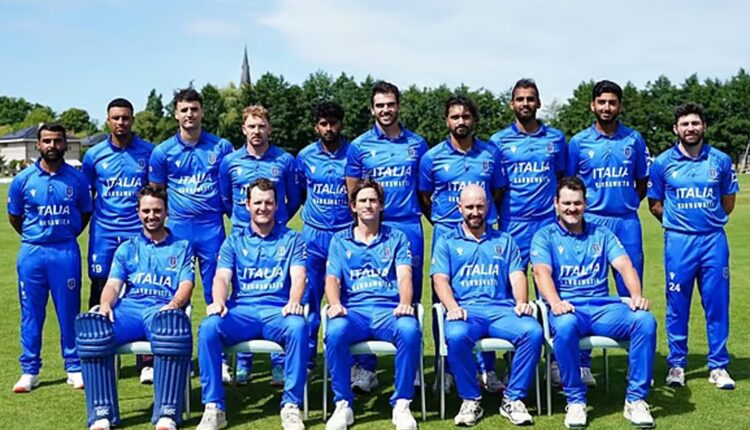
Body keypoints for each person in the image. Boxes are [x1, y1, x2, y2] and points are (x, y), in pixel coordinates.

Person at [531, 176, 656, 429]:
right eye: (566, 203)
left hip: (603, 309)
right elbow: (541, 272)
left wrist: (636, 295)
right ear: (556, 203)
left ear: (585, 204)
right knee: (564, 326)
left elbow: (625, 265)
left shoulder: (602, 233)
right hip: (568, 308)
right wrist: (555, 302)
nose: (572, 208)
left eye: (577, 203)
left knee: (645, 321)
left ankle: (636, 399)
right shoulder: (544, 236)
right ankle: (575, 400)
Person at [75, 185, 194, 430]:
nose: (152, 216)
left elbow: (186, 285)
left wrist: (173, 305)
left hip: (161, 309)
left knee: (170, 327)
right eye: (146, 211)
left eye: (157, 210)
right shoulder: (126, 248)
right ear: (138, 212)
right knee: (94, 330)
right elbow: (113, 284)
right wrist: (105, 304)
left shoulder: (181, 246)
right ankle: (102, 413)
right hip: (130, 309)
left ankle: (168, 412)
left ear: (166, 211)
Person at [197, 178, 308, 430]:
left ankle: (291, 405)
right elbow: (221, 277)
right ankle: (214, 407)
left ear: (277, 205)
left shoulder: (293, 239)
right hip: (242, 311)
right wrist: (218, 301)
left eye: (268, 203)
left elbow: (299, 276)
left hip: (278, 311)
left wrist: (294, 301)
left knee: (298, 327)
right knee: (209, 327)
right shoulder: (233, 241)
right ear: (247, 205)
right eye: (257, 202)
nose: (263, 208)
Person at [564, 80, 650, 386]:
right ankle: (583, 364)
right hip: (592, 222)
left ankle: (634, 364)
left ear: (620, 106)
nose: (607, 107)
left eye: (612, 102)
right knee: (588, 289)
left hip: (626, 221)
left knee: (631, 292)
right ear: (592, 105)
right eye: (601, 102)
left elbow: (641, 182)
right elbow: (571, 185)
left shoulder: (634, 139)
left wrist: (624, 203)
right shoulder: (578, 142)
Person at [419, 94, 507, 393]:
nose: (461, 122)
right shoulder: (432, 157)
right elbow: (424, 197)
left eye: (466, 116)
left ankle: (487, 369)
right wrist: (444, 221)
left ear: (474, 120)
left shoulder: (491, 154)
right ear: (447, 121)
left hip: (483, 232)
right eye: (455, 117)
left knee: (488, 295)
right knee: (442, 301)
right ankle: (446, 368)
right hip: (446, 233)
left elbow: (497, 192)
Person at [432, 185, 540, 426]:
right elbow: (440, 279)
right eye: (469, 207)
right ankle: (471, 399)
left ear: (488, 206)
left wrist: (521, 302)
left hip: (501, 310)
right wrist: (452, 307)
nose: (475, 212)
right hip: (466, 311)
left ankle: (513, 398)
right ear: (459, 208)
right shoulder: (447, 241)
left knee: (532, 331)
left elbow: (517, 276)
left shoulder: (504, 240)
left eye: (480, 206)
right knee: (456, 336)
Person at [648, 103, 738, 389]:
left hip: (713, 241)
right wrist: (679, 223)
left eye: (695, 123)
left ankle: (718, 366)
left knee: (716, 304)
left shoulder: (720, 160)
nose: (690, 128)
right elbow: (655, 204)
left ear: (704, 127)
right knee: (677, 304)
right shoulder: (663, 163)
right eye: (685, 124)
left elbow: (728, 201)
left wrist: (707, 222)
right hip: (679, 242)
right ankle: (676, 364)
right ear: (676, 129)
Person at [345, 80, 428, 392]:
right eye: (379, 105)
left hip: (407, 226)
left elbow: (424, 190)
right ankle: (365, 369)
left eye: (390, 104)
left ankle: (412, 364)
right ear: (372, 109)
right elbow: (353, 192)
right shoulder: (359, 146)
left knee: (410, 295)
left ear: (398, 106)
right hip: (371, 225)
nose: (385, 110)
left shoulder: (417, 144)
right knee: (366, 292)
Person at [324, 179, 421, 430]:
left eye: (373, 200)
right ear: (353, 206)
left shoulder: (397, 237)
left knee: (410, 329)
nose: (368, 205)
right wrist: (334, 303)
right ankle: (343, 404)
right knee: (334, 331)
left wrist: (405, 302)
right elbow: (332, 279)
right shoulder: (339, 240)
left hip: (388, 310)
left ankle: (402, 404)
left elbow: (405, 275)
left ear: (381, 205)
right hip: (354, 311)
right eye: (363, 201)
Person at [218, 104, 301, 384]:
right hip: (242, 236)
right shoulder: (230, 162)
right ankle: (244, 362)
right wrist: (243, 221)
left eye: (261, 126)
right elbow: (225, 198)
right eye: (251, 126)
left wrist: (278, 220)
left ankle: (279, 362)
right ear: (243, 129)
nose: (257, 131)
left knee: (278, 292)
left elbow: (294, 197)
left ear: (270, 129)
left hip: (276, 236)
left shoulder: (285, 160)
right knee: (244, 294)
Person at [8, 123, 92, 393]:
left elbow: (85, 213)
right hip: (32, 253)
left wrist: (64, 234)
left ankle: (73, 367)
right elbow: (15, 217)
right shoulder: (23, 180)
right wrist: (36, 236)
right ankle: (29, 370)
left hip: (64, 252)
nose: (52, 146)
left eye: (57, 141)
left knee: (68, 311)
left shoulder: (77, 179)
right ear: (38, 145)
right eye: (47, 141)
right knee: (31, 312)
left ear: (65, 144)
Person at [82, 98, 155, 384]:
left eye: (125, 117)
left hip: (138, 232)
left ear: (132, 119)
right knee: (101, 290)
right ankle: (101, 355)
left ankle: (146, 361)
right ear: (108, 120)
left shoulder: (148, 151)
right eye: (116, 118)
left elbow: (154, 192)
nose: (121, 122)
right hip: (104, 234)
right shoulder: (94, 155)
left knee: (143, 289)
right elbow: (86, 194)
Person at [149, 88, 234, 306]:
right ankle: (173, 328)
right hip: (178, 226)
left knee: (216, 291)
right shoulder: (162, 152)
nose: (189, 114)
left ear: (202, 112)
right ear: (176, 114)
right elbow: (157, 192)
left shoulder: (221, 147)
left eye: (194, 109)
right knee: (173, 290)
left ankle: (217, 327)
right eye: (184, 110)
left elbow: (229, 187)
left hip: (211, 227)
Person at [296, 101, 352, 374]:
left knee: (351, 298)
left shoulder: (354, 153)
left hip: (346, 236)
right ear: (316, 126)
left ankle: (356, 363)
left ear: (341, 124)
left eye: (333, 123)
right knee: (309, 298)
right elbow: (298, 194)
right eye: (323, 124)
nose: (329, 128)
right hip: (313, 237)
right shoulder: (305, 156)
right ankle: (306, 360)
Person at [490, 78, 565, 271]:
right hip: (513, 222)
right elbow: (495, 186)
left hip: (547, 221)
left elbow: (561, 177)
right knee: (511, 280)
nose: (525, 103)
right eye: (520, 99)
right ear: (511, 104)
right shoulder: (498, 141)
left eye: (530, 99)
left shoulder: (556, 138)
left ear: (538, 103)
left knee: (549, 279)